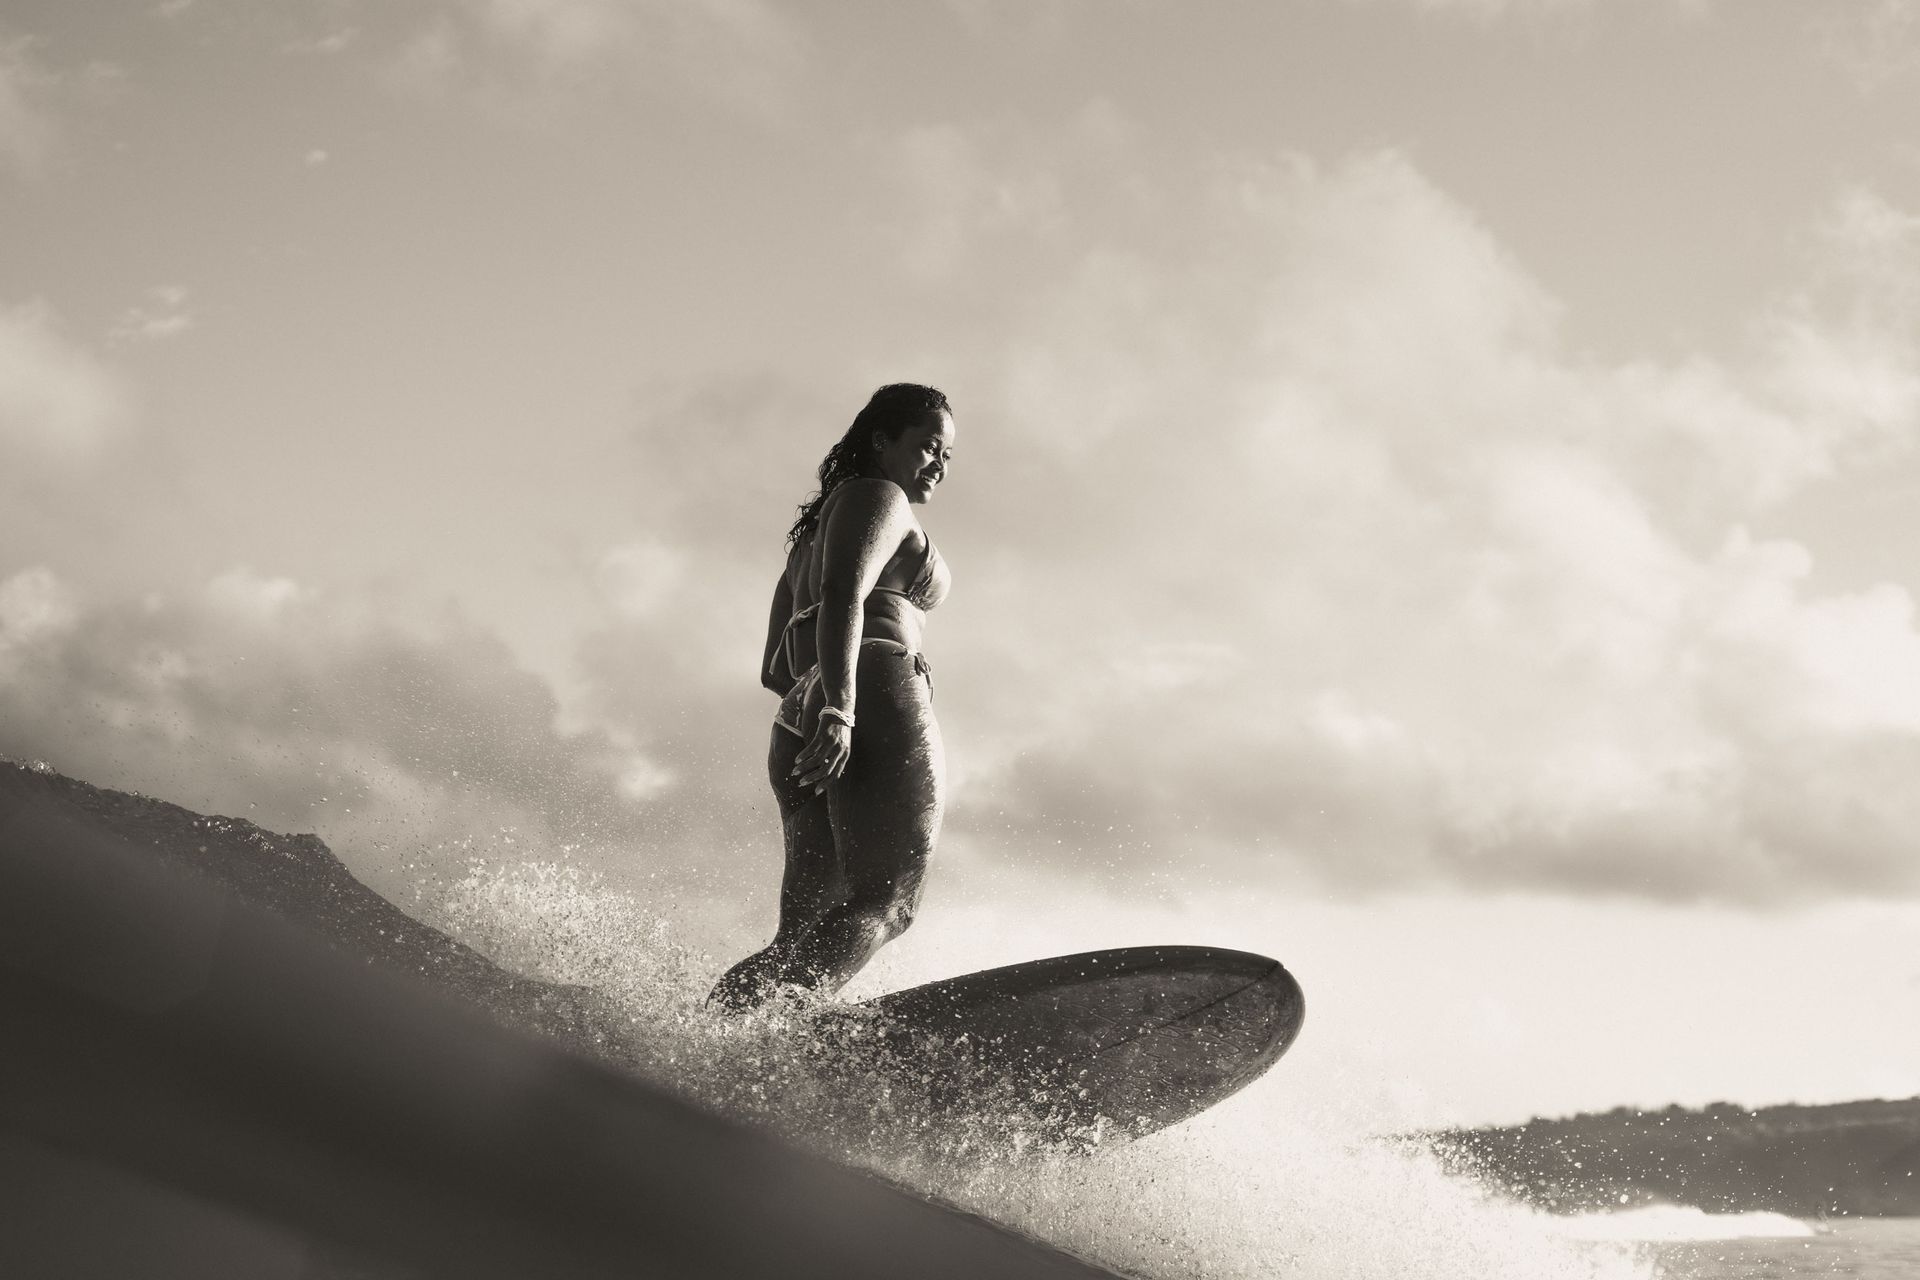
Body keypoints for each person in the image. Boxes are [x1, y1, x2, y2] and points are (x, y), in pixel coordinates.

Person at [707, 384, 956, 1012]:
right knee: (886, 903)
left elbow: (774, 666)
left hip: (799, 708)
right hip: (862, 689)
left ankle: (712, 1037)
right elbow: (847, 593)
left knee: (796, 940)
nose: (939, 464)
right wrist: (849, 704)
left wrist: (822, 697)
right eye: (929, 445)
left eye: (946, 455)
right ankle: (768, 1042)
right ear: (881, 440)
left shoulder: (810, 537)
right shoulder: (881, 497)